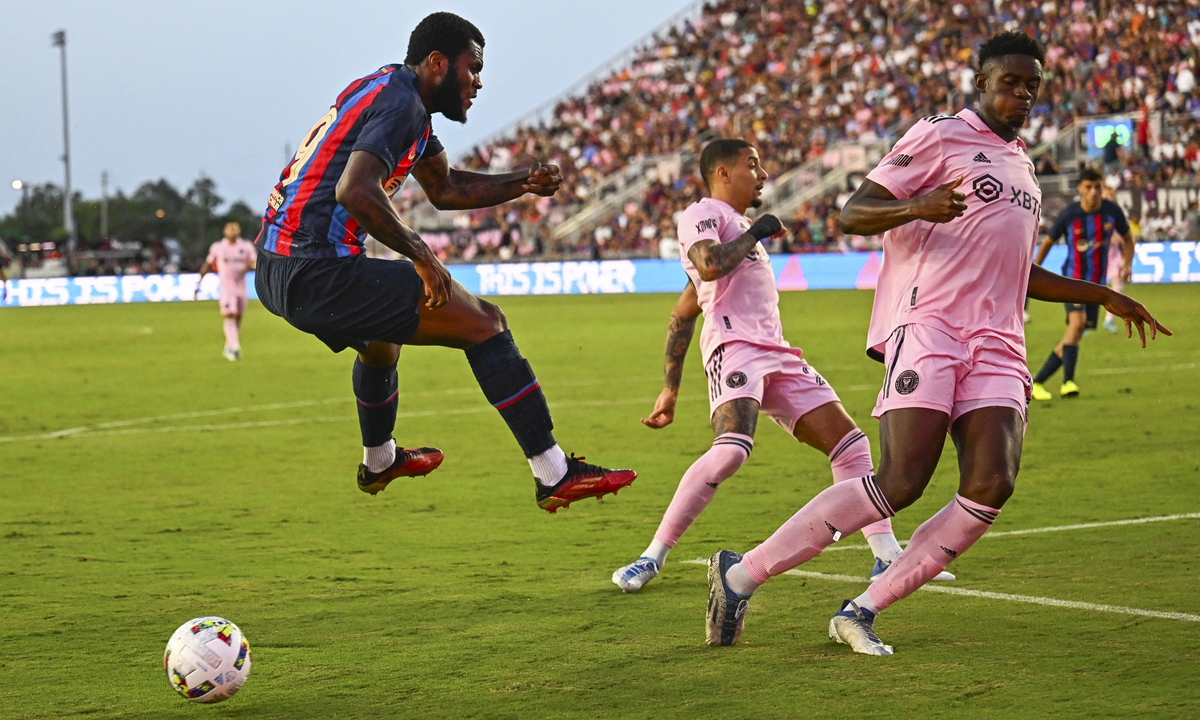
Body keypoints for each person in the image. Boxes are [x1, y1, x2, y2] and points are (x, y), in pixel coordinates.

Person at [701, 32, 1169, 654]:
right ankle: (740, 575)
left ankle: (860, 610)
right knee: (900, 481)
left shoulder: (1024, 165)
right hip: (931, 327)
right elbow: (853, 212)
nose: (1023, 93)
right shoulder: (941, 134)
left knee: (992, 482)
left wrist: (1101, 294)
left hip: (1000, 339)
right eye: (1010, 81)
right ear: (982, 82)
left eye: (1033, 83)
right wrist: (919, 204)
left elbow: (1017, 269)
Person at [252, 12, 635, 509]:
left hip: (276, 265)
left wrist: (522, 181)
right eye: (472, 68)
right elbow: (355, 190)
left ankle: (379, 460)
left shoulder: (392, 92)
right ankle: (554, 472)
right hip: (315, 267)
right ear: (438, 63)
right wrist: (423, 255)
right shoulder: (404, 106)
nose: (478, 81)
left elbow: (444, 187)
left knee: (380, 346)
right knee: (486, 324)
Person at [612, 139, 952, 594]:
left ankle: (885, 554)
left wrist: (670, 389)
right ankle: (651, 557)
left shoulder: (737, 227)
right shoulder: (701, 215)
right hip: (734, 350)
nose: (763, 174)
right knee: (731, 450)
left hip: (777, 354)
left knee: (850, 446)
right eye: (751, 165)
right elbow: (708, 266)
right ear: (722, 174)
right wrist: (756, 233)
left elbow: (684, 308)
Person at [1028, 167, 1133, 398]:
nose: (1094, 191)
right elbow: (1048, 242)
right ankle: (1068, 383)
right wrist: (1032, 269)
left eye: (1097, 186)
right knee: (1077, 324)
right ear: (1080, 189)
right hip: (1072, 282)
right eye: (1089, 187)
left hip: (1097, 285)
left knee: (1073, 335)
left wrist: (1127, 263)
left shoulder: (1111, 211)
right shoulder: (1069, 214)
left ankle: (1037, 383)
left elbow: (1128, 238)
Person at [196, 222, 257, 361]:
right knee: (230, 315)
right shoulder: (218, 247)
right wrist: (199, 282)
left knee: (238, 319)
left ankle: (228, 347)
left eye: (235, 228)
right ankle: (235, 347)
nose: (233, 230)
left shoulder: (246, 247)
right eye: (230, 228)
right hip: (226, 287)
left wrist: (249, 266)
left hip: (241, 286)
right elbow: (208, 264)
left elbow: (254, 264)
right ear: (224, 231)